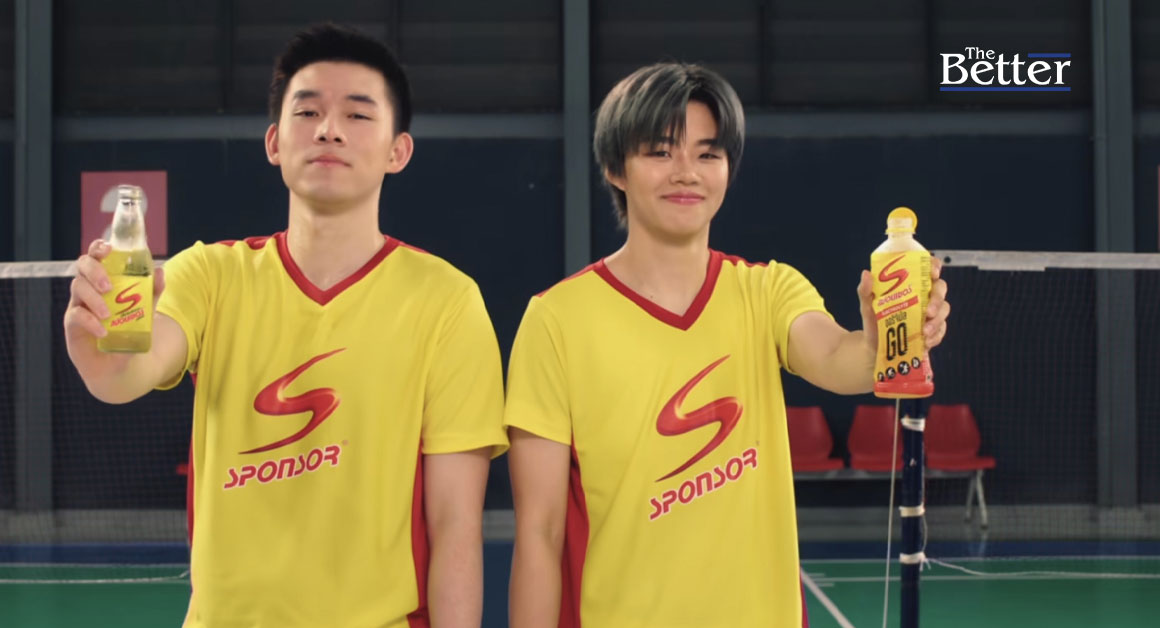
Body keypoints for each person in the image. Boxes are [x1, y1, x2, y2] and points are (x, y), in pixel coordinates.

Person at [63, 23, 506, 628]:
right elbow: (126, 373)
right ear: (274, 142)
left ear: (397, 151)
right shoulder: (209, 275)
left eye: (357, 115)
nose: (329, 130)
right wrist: (101, 353)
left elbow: (455, 523)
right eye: (308, 112)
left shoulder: (447, 301)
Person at [504, 62, 950, 627]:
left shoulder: (769, 290)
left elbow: (838, 357)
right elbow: (540, 533)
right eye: (661, 152)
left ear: (728, 169)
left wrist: (887, 341)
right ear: (616, 167)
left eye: (708, 154)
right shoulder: (556, 319)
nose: (686, 173)